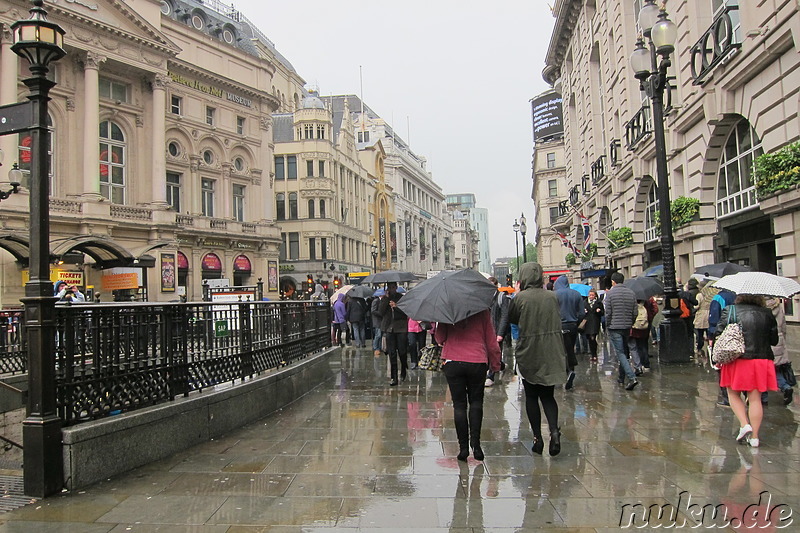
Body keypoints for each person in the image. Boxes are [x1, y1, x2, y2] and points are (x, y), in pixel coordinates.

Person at [508, 263, 567, 456]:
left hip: (530, 349)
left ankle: (537, 438)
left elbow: (513, 319)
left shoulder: (520, 298)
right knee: (548, 396)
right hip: (551, 348)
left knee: (531, 395)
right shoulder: (552, 296)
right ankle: (555, 431)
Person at [435, 309, 501, 462]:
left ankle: (463, 448)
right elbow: (491, 341)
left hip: (453, 361)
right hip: (477, 360)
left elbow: (439, 338)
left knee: (459, 405)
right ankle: (476, 445)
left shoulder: (448, 309)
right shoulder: (482, 310)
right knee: (476, 402)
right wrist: (495, 364)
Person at [717, 294, 778, 448]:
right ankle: (755, 438)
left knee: (732, 394)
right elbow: (774, 340)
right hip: (761, 360)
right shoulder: (767, 313)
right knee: (755, 398)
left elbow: (719, 332)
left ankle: (745, 425)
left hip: (737, 358)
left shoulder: (730, 310)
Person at [604, 272, 640, 391]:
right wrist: (631, 322)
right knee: (624, 351)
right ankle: (621, 377)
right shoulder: (631, 293)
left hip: (615, 327)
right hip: (627, 326)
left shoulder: (610, 294)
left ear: (613, 282)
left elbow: (608, 313)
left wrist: (608, 325)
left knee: (620, 353)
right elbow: (635, 312)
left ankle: (631, 377)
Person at [553, 275, 585, 390]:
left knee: (559, 351)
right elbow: (581, 313)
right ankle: (571, 370)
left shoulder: (554, 295)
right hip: (572, 326)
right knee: (570, 349)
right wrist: (576, 322)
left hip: (559, 326)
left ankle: (562, 373)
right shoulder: (576, 294)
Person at [709, 288, 737, 406]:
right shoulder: (739, 296)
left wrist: (711, 336)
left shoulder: (718, 298)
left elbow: (714, 320)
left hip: (724, 336)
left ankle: (727, 398)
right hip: (741, 336)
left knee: (722, 367)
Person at [378, 282, 409, 386]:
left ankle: (404, 368)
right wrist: (386, 299)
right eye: (390, 288)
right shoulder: (385, 299)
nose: (392, 290)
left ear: (396, 287)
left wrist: (396, 307)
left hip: (400, 328)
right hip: (389, 328)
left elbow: (406, 312)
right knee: (392, 353)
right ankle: (394, 377)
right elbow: (380, 312)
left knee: (402, 351)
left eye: (393, 287)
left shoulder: (401, 298)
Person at [765, 298, 792, 406]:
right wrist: (782, 340)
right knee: (776, 368)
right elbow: (784, 326)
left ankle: (764, 397)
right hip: (778, 340)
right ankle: (786, 387)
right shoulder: (778, 306)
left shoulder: (761, 308)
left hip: (766, 341)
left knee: (766, 369)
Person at [485, 276, 510, 387]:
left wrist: (500, 333)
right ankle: (500, 365)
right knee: (489, 353)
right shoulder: (485, 297)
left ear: (496, 286)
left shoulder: (502, 297)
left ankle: (490, 376)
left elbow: (505, 316)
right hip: (487, 331)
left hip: (497, 330)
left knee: (495, 352)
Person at [583, 288, 604, 362]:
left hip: (595, 322)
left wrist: (599, 311)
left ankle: (594, 355)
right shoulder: (584, 303)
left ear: (595, 296)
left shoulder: (598, 303)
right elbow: (581, 313)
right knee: (589, 338)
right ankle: (593, 353)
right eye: (590, 295)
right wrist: (584, 312)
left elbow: (603, 313)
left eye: (592, 295)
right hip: (587, 323)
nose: (591, 296)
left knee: (593, 337)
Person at [370, 292, 384, 357]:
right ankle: (376, 347)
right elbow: (373, 310)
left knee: (380, 334)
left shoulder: (381, 301)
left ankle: (379, 347)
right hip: (377, 321)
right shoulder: (376, 301)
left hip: (380, 321)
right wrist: (380, 313)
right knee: (378, 335)